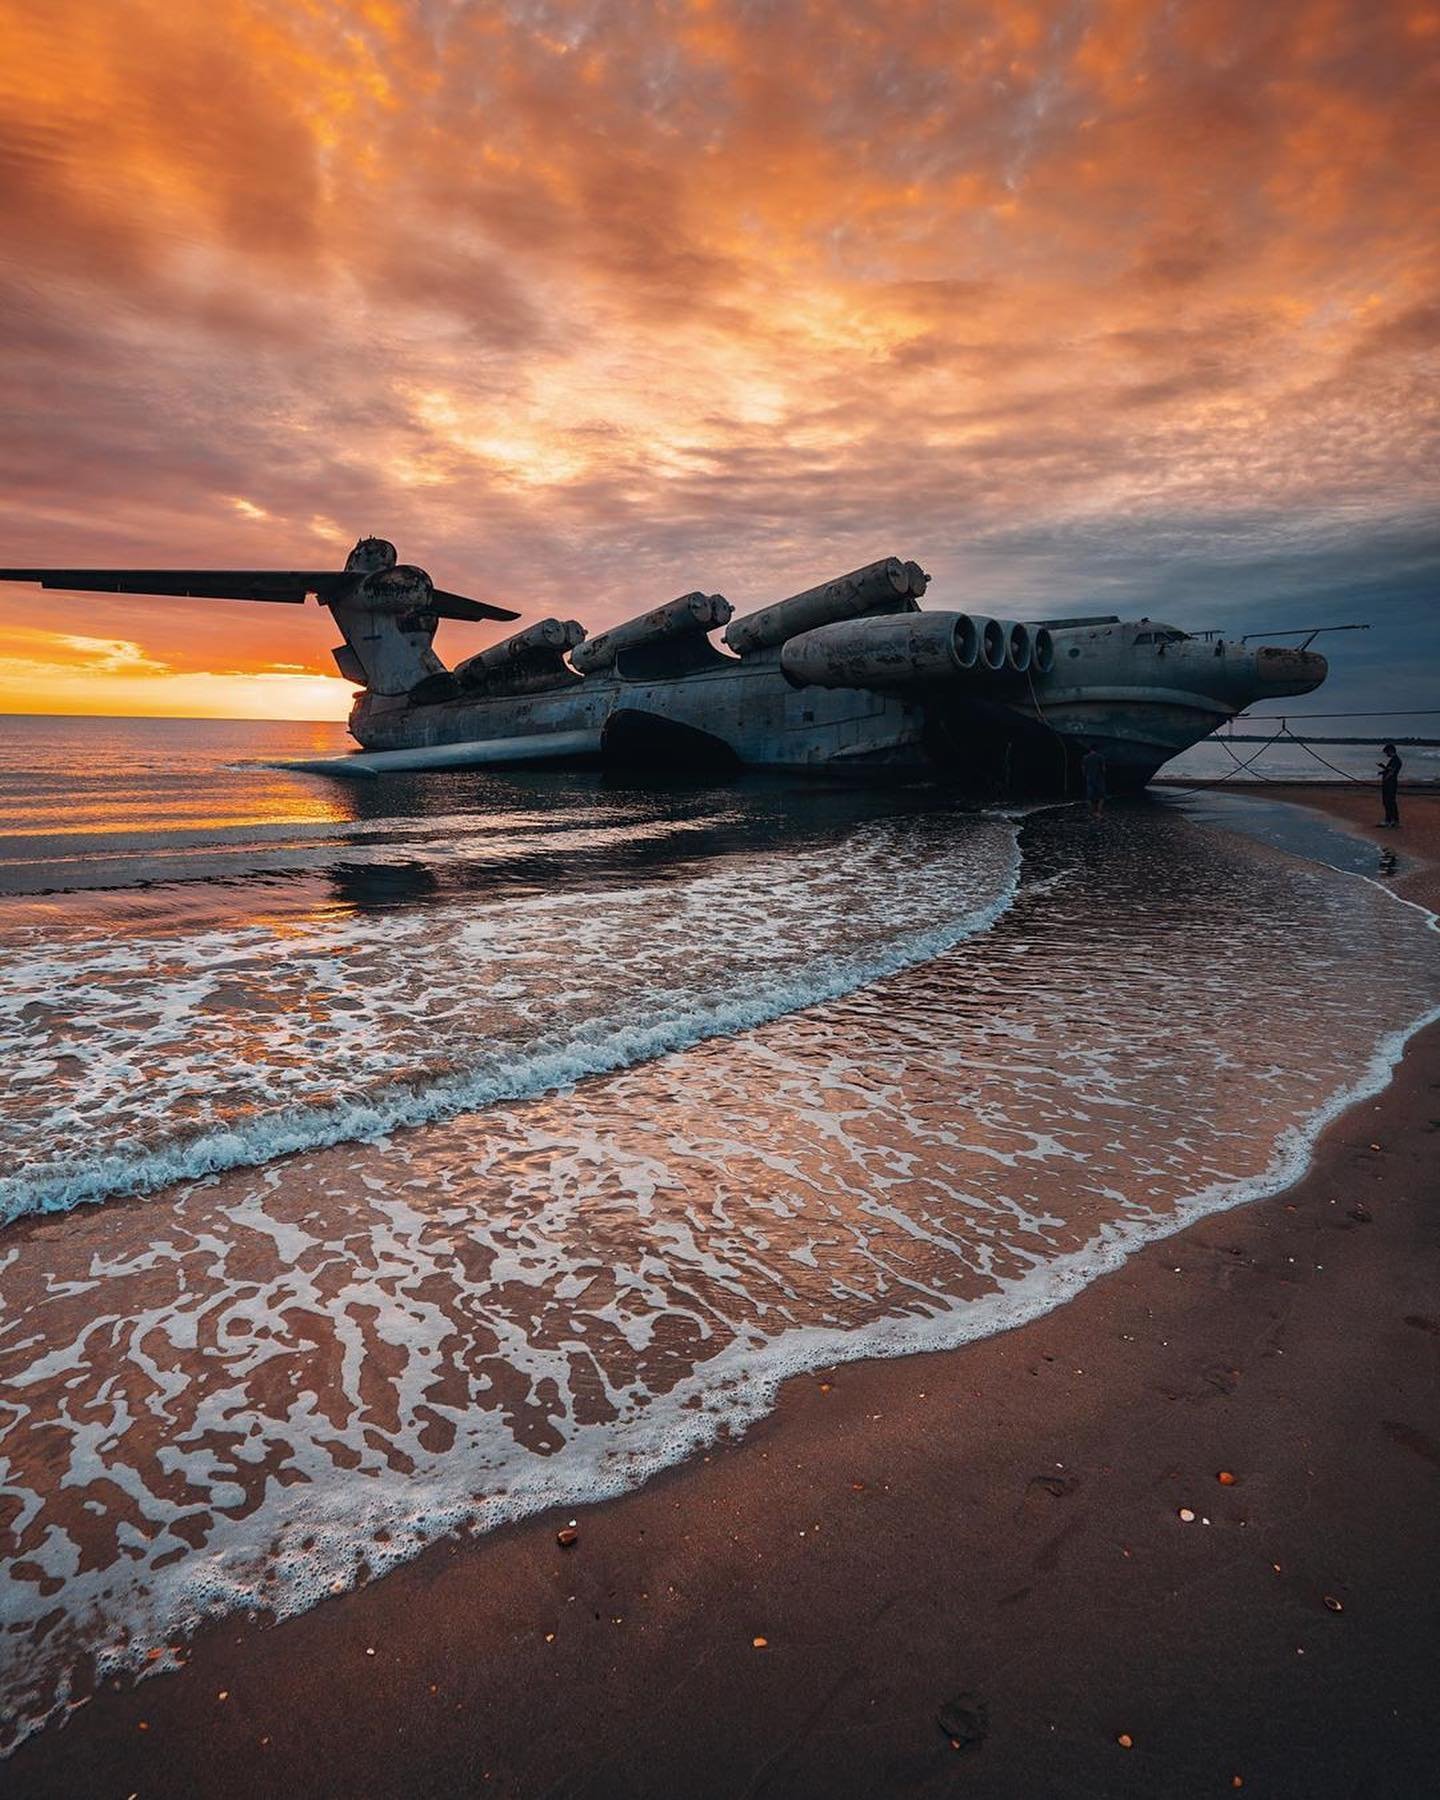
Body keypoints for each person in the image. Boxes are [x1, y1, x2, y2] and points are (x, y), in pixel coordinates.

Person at [1377, 742, 1402, 828]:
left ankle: (1393, 821)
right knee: (1386, 802)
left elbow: (1392, 772)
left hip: (1391, 784)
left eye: (1386, 752)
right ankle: (1389, 820)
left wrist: (1386, 777)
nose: (1386, 754)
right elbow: (1389, 770)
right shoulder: (1393, 760)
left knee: (1390, 802)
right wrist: (1383, 770)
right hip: (1388, 783)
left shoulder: (1396, 760)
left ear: (1390, 751)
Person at [1081, 744, 1106, 819]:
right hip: (1099, 778)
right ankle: (1098, 812)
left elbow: (1083, 768)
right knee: (1101, 796)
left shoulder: (1085, 757)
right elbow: (1103, 769)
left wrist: (1086, 775)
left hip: (1089, 778)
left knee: (1089, 797)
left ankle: (1091, 813)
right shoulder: (1100, 757)